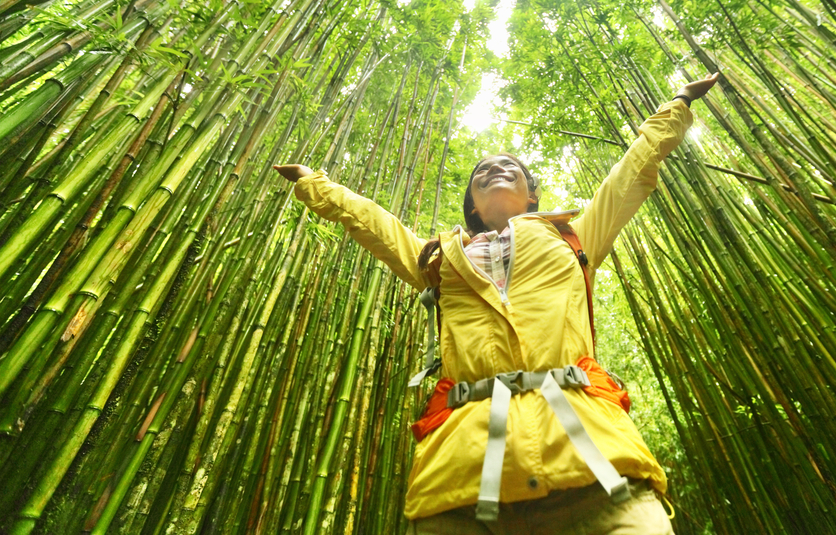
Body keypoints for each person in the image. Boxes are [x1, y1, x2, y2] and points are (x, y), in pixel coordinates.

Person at [274, 72, 718, 534]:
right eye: (481, 171)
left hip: (596, 467)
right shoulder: (438, 259)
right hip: (464, 480)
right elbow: (372, 222)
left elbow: (635, 168)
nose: (495, 168)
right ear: (472, 203)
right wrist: (313, 184)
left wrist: (680, 102)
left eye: (511, 167)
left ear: (532, 195)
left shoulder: (574, 237)